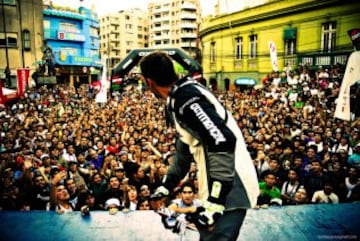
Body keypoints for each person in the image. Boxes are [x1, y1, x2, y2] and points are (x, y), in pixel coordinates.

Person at [139, 51, 259, 241]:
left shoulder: (185, 98)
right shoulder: (179, 96)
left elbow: (222, 139)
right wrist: (166, 186)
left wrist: (216, 201)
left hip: (231, 188)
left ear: (148, 82)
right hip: (220, 187)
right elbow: (184, 149)